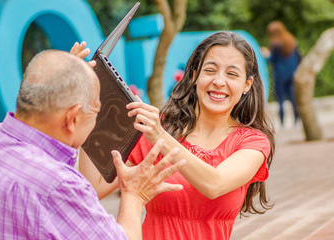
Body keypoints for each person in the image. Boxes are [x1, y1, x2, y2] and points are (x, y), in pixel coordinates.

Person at [76, 31, 275, 239]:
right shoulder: (157, 127)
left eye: (232, 74)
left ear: (247, 84)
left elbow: (215, 184)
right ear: (195, 74)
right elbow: (93, 188)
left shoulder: (252, 142)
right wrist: (87, 101)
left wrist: (160, 137)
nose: (218, 81)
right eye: (210, 70)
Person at [0, 49, 186, 240]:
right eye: (97, 111)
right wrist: (135, 194)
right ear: (73, 118)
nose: (97, 120)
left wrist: (64, 78)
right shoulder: (59, 186)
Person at [261, 20, 300, 126]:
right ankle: (297, 121)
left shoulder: (275, 44)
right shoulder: (292, 40)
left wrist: (265, 54)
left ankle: (282, 123)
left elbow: (272, 59)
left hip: (280, 75)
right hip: (292, 73)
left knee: (280, 100)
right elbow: (297, 57)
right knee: (293, 98)